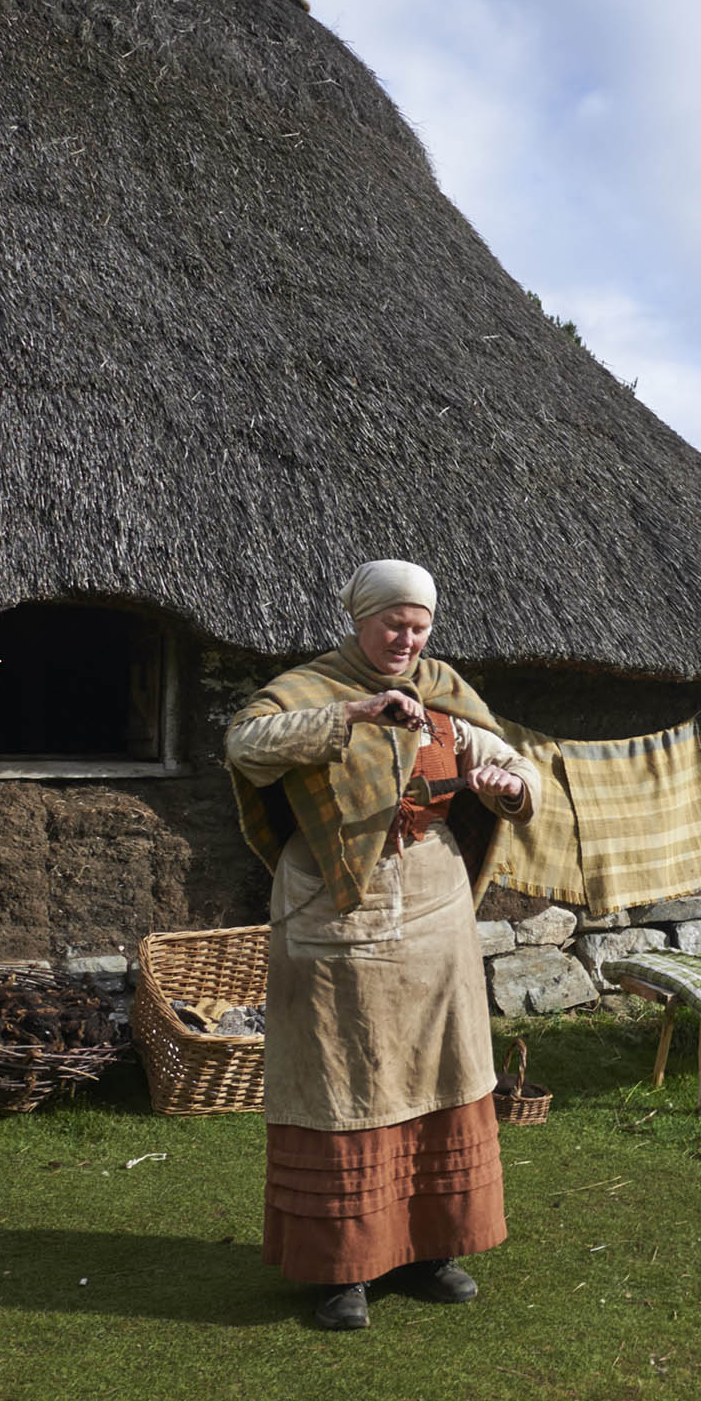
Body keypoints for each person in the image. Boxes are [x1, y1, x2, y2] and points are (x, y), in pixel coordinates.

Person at [224, 559, 537, 1330]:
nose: (406, 638)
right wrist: (357, 713)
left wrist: (508, 784)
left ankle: (432, 1249)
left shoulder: (445, 690)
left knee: (440, 1068)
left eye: (419, 625)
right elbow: (245, 745)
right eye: (392, 623)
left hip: (434, 906)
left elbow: (509, 758)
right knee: (345, 1071)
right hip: (333, 910)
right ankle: (343, 1270)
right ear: (358, 619)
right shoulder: (312, 686)